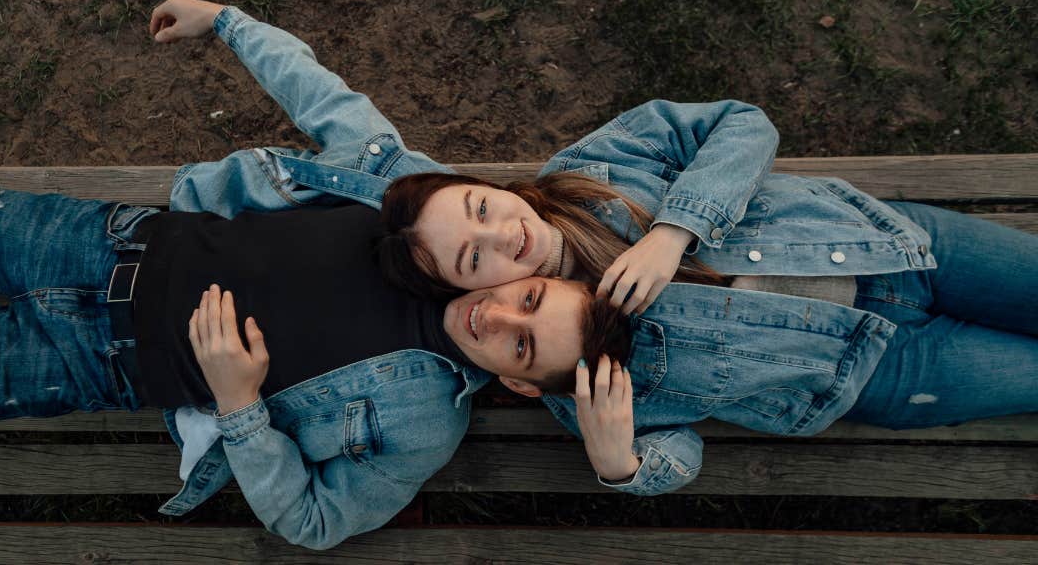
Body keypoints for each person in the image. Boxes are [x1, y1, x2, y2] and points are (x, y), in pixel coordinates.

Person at [0, 0, 595, 550]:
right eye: (527, 296)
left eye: (523, 346)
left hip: (84, 363)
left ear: (523, 384)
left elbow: (316, 520)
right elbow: (326, 99)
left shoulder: (427, 424)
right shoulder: (419, 210)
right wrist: (228, 21)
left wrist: (241, 407)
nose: (498, 315)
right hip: (86, 240)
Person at [374, 102, 1038, 493]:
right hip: (876, 371)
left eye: (482, 204)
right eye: (473, 257)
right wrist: (620, 462)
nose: (503, 234)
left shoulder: (592, 174)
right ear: (467, 286)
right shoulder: (566, 366)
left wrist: (674, 228)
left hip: (890, 245)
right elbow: (679, 451)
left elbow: (742, 123)